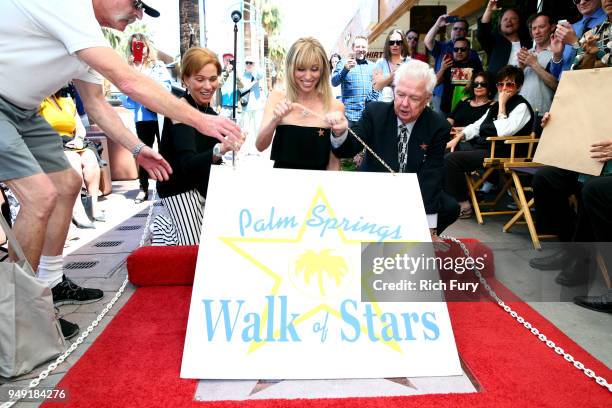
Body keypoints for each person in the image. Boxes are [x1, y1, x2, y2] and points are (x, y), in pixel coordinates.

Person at [0, 0, 241, 339]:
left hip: (25, 110)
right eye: (135, 3)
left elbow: (97, 105)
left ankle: (52, 284)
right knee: (40, 197)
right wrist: (200, 118)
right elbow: (128, 81)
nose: (138, 14)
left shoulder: (87, 35)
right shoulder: (69, 8)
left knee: (69, 184)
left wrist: (139, 150)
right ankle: (14, 314)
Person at [328, 59, 460, 239]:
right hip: (373, 187)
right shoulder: (375, 112)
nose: (404, 103)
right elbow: (348, 148)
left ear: (428, 99)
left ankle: (410, 242)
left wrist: (429, 228)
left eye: (414, 98)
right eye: (400, 94)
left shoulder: (438, 126)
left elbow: (432, 174)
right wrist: (340, 132)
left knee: (450, 208)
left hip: (413, 190)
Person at [530, 0, 612, 286]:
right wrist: (561, 116)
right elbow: (580, 83)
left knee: (593, 190)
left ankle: (584, 262)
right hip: (590, 139)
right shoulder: (598, 31)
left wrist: (580, 45)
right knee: (545, 180)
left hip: (607, 150)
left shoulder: (588, 35)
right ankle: (569, 251)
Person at [154, 48, 244, 246]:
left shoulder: (210, 112)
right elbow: (187, 165)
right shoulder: (181, 109)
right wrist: (221, 149)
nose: (208, 85)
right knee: (193, 253)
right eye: (200, 79)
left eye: (213, 79)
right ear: (186, 79)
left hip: (202, 191)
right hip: (179, 191)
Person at [445, 65, 534, 219]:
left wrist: (502, 105)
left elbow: (503, 131)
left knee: (452, 160)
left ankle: (463, 204)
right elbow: (477, 125)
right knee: (444, 151)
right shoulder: (495, 105)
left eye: (510, 84)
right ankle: (447, 199)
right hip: (487, 147)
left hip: (505, 152)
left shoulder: (521, 106)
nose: (504, 88)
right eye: (501, 84)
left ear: (518, 86)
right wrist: (458, 138)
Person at [256, 37, 344, 170]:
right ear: (291, 68)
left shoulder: (334, 106)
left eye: (314, 69)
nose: (308, 76)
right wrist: (275, 120)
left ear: (322, 71)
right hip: (282, 185)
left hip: (318, 188)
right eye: (301, 69)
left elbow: (334, 160)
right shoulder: (276, 98)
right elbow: (260, 145)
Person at [39, 87, 105, 229]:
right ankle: (77, 209)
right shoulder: (39, 101)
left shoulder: (66, 100)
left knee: (90, 158)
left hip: (73, 140)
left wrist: (79, 139)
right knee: (74, 160)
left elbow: (79, 127)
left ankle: (93, 206)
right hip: (51, 142)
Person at [123, 32, 172, 203]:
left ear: (147, 46)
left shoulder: (157, 66)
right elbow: (125, 98)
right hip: (142, 117)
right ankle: (143, 188)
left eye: (141, 44)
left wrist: (145, 87)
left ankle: (167, 187)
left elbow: (167, 87)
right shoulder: (128, 68)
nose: (139, 48)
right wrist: (134, 73)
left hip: (159, 115)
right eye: (135, 45)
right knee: (143, 152)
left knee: (165, 150)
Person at [424, 15, 481, 112]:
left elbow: (479, 75)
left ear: (466, 32)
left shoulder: (472, 53)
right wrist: (438, 25)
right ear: (451, 31)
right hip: (441, 95)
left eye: (462, 29)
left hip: (465, 97)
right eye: (455, 28)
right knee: (441, 125)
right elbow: (427, 41)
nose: (458, 31)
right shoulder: (442, 46)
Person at [549, 0, 606, 78]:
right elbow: (555, 75)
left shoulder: (608, 22)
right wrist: (557, 55)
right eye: (577, 0)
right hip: (564, 87)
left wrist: (576, 43)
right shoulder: (570, 28)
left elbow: (607, 61)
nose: (582, 2)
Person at [331, 35, 379, 127]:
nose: (361, 49)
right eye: (358, 46)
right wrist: (345, 70)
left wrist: (372, 101)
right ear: (353, 48)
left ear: (367, 49)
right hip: (348, 117)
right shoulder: (343, 63)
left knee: (365, 142)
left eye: (363, 47)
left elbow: (377, 88)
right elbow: (334, 82)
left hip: (366, 116)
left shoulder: (373, 66)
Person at [517, 12, 558, 116]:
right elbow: (512, 86)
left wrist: (534, 64)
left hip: (544, 114)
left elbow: (558, 86)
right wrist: (520, 69)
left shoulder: (558, 52)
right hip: (520, 113)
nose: (537, 32)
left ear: (552, 27)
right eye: (534, 28)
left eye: (541, 27)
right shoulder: (526, 53)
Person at [478, 1, 531, 76]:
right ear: (500, 24)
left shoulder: (529, 42)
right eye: (505, 19)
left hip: (525, 85)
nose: (509, 21)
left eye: (513, 18)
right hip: (497, 86)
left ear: (519, 23)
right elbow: (482, 33)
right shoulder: (494, 41)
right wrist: (489, 9)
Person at [436, 37, 484, 116]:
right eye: (456, 49)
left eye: (463, 49)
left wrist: (473, 82)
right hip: (447, 110)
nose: (459, 52)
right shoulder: (448, 64)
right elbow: (434, 83)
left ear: (469, 50)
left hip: (467, 110)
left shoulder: (475, 65)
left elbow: (482, 84)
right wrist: (442, 69)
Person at [373, 29, 409, 102]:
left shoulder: (410, 63)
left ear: (403, 44)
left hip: (404, 105)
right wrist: (392, 76)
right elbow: (376, 87)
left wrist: (385, 81)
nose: (395, 45)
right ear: (388, 44)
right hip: (385, 106)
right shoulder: (380, 63)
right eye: (391, 42)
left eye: (398, 42)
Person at [242, 56, 266, 154]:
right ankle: (245, 149)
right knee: (246, 129)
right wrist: (254, 82)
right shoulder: (243, 75)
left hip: (257, 106)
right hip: (246, 106)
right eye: (247, 63)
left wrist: (255, 67)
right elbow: (243, 89)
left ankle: (258, 149)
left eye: (251, 63)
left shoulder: (257, 73)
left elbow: (261, 74)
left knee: (257, 128)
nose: (248, 65)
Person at [218, 52, 245, 118]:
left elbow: (242, 87)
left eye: (230, 60)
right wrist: (227, 73)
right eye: (226, 60)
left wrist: (236, 74)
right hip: (223, 107)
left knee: (236, 127)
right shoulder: (220, 73)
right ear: (223, 61)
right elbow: (218, 85)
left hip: (236, 107)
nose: (228, 62)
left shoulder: (237, 73)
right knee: (223, 127)